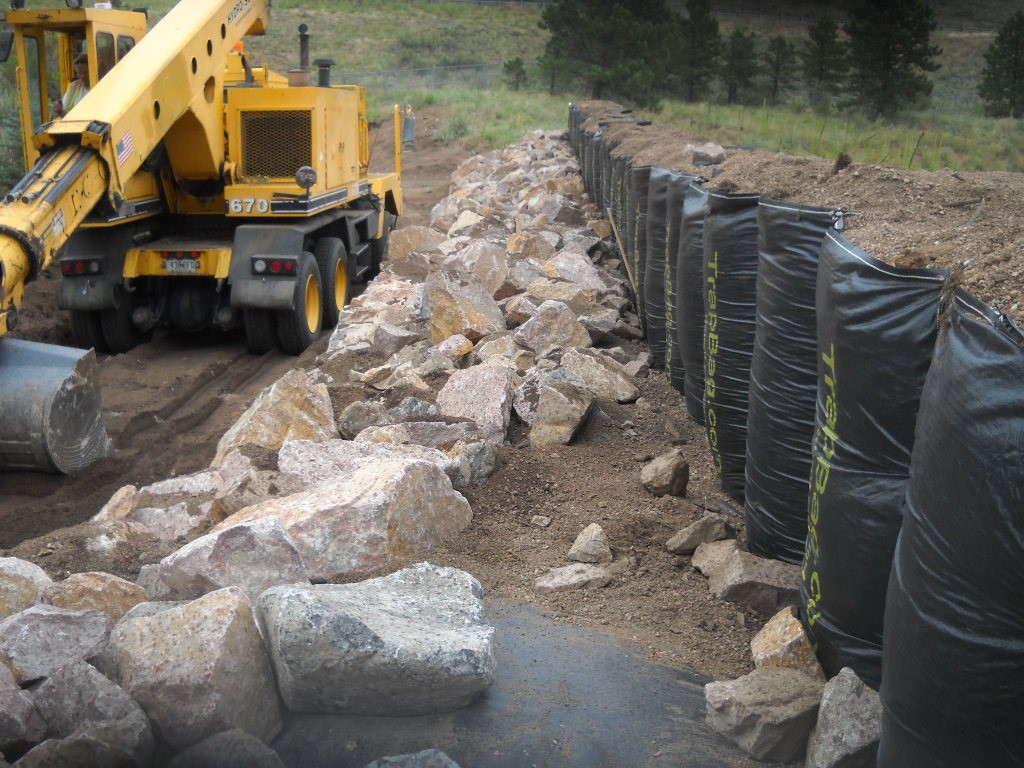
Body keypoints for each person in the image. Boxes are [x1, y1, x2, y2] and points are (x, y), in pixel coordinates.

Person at [53, 53, 90, 117]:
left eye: (85, 72)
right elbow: (64, 109)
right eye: (79, 73)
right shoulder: (73, 87)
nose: (82, 76)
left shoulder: (101, 86)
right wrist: (59, 110)